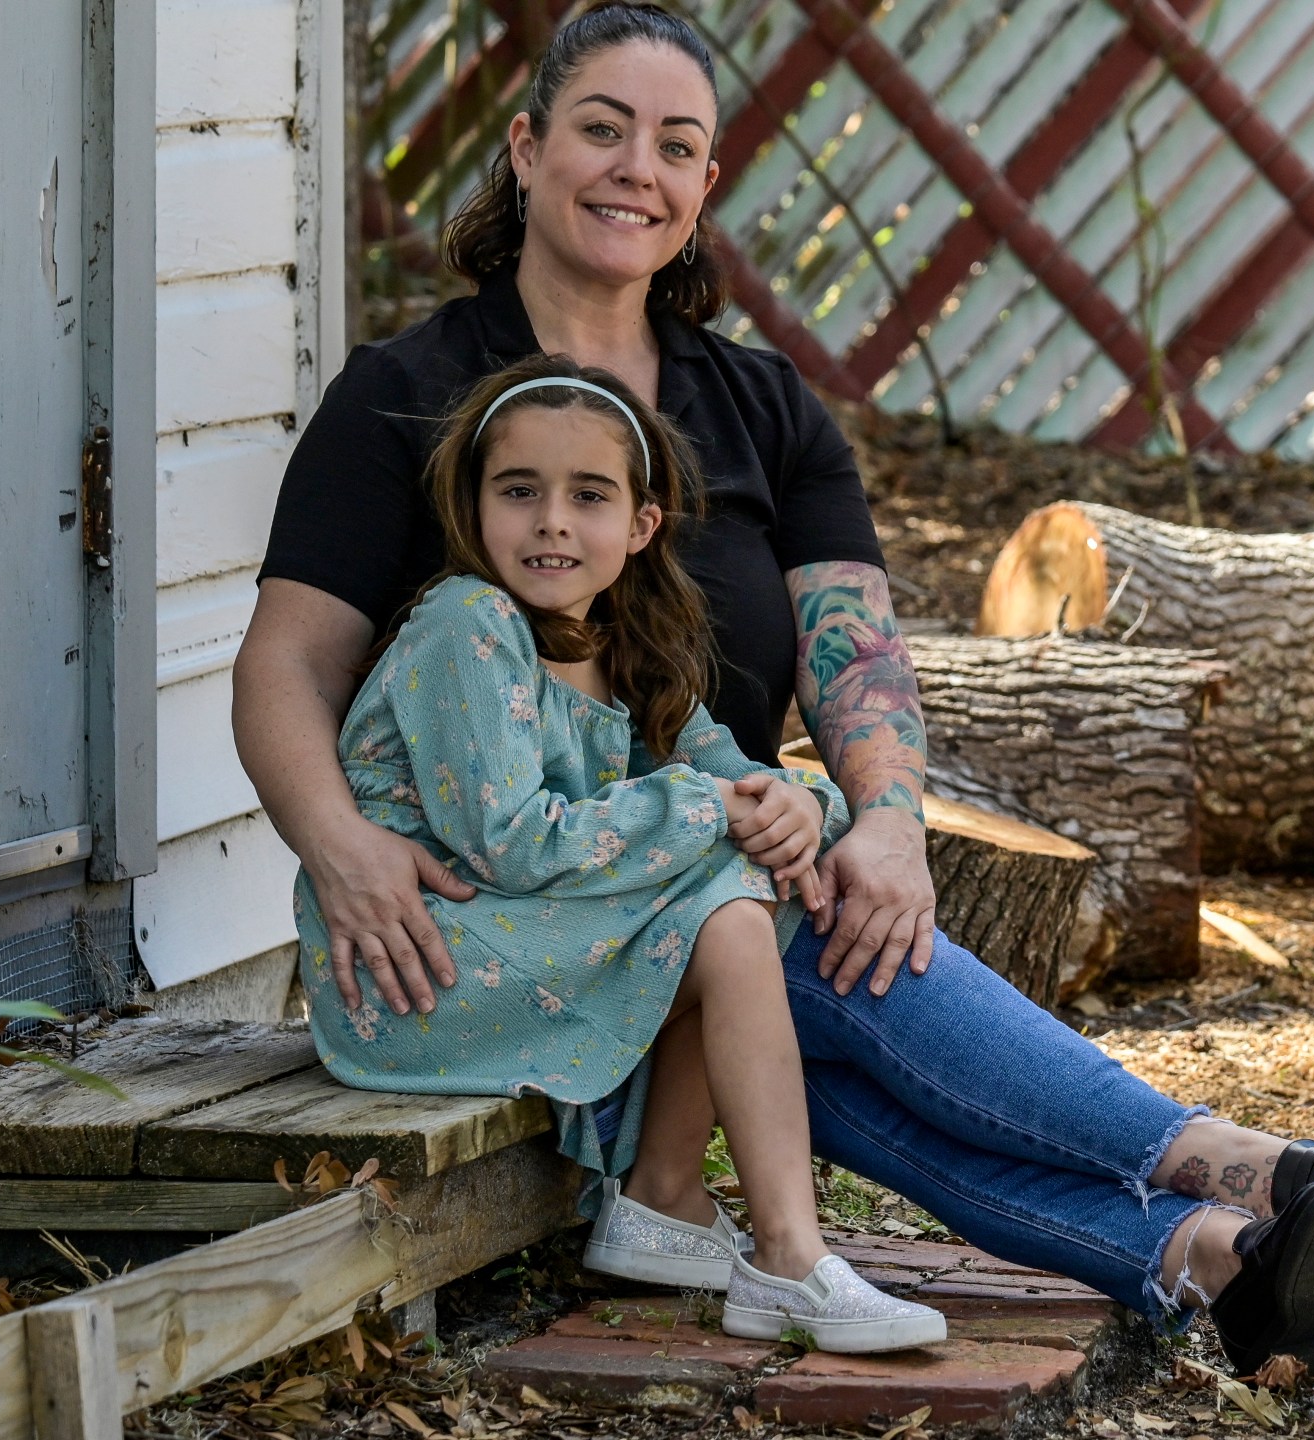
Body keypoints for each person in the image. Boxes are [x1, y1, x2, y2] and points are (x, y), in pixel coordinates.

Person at [235, 0, 1314, 1378]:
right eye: (601, 128)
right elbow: (287, 664)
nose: (637, 166)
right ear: (524, 152)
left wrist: (882, 820)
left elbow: (853, 646)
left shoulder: (761, 406)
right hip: (515, 915)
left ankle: (1207, 1259)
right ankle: (1233, 1163)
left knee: (822, 931)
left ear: (705, 189)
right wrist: (341, 851)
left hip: (708, 865)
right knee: (794, 926)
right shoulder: (409, 395)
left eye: (675, 144)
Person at [300, 354, 944, 1351]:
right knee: (723, 883)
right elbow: (509, 844)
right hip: (417, 966)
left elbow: (731, 777)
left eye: (588, 495)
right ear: (473, 509)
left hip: (511, 941)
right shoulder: (467, 628)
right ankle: (778, 1252)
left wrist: (800, 807)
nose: (552, 520)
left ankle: (673, 1201)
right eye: (519, 491)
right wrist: (715, 810)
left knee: (740, 892)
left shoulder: (623, 643)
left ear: (639, 526)